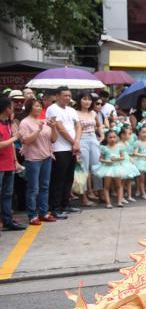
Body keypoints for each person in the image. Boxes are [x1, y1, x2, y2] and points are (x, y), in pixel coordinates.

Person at [45, 87, 82, 219]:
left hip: (72, 148)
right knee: (58, 179)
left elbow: (78, 126)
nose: (67, 98)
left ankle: (65, 204)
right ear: (57, 96)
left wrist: (77, 141)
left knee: (69, 178)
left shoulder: (72, 110)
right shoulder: (52, 109)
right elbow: (60, 128)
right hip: (59, 149)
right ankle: (55, 207)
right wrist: (74, 142)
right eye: (65, 95)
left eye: (69, 95)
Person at [18, 98, 56, 225]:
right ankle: (32, 215)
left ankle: (44, 212)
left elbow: (53, 139)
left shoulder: (44, 121)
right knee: (33, 188)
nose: (39, 108)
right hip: (33, 159)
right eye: (36, 106)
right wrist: (38, 129)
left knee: (45, 186)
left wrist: (54, 128)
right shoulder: (24, 122)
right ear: (29, 107)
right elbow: (25, 141)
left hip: (47, 157)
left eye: (40, 106)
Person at [0, 97, 24, 231]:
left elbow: (10, 147)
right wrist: (15, 137)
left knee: (7, 194)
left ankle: (7, 220)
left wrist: (15, 161)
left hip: (9, 164)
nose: (14, 109)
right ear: (7, 109)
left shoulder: (7, 123)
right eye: (12, 106)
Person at [75, 93, 102, 207]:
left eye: (89, 100)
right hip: (82, 140)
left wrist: (102, 135)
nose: (87, 102)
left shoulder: (93, 112)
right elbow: (74, 129)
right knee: (83, 169)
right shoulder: (75, 113)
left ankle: (100, 192)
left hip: (93, 138)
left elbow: (99, 125)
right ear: (79, 100)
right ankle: (84, 197)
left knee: (97, 166)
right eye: (84, 99)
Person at [93, 130, 127, 208]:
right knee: (106, 186)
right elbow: (100, 159)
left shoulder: (119, 147)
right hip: (107, 168)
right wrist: (106, 161)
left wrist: (117, 158)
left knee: (118, 185)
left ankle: (119, 202)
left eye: (114, 137)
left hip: (117, 168)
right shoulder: (104, 148)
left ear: (117, 138)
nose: (112, 139)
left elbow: (123, 157)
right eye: (110, 137)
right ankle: (108, 203)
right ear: (106, 138)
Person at [118, 123, 140, 203]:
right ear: (122, 135)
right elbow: (119, 154)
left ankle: (129, 196)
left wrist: (131, 158)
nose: (130, 136)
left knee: (129, 180)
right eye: (129, 134)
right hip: (122, 163)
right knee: (122, 182)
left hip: (127, 162)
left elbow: (127, 153)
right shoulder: (119, 144)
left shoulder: (126, 143)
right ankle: (121, 197)